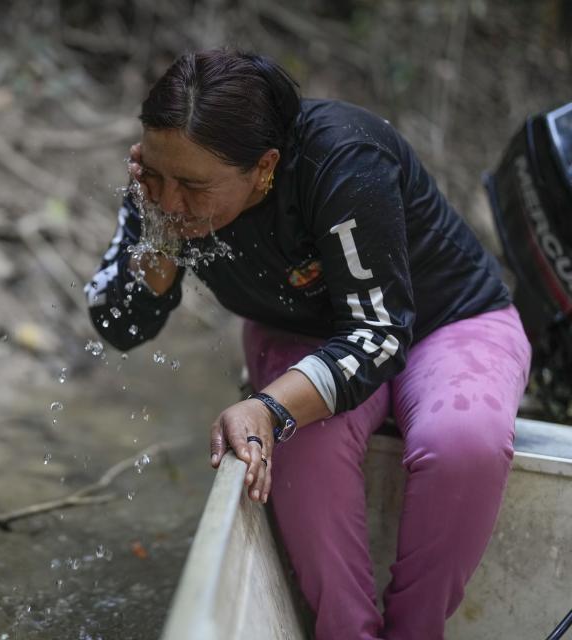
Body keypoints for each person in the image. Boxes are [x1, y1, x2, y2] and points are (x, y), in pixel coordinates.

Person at [84, 49, 532, 640]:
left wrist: (267, 407)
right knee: (304, 447)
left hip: (448, 322)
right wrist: (160, 236)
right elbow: (121, 324)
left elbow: (379, 334)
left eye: (192, 186)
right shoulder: (162, 189)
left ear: (266, 167)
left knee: (462, 442)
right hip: (298, 333)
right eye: (157, 176)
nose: (170, 200)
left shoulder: (343, 160)